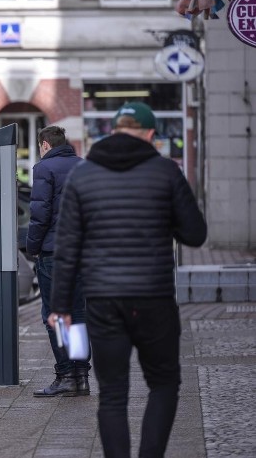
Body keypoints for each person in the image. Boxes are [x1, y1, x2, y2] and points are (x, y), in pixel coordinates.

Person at [49, 102, 207, 458]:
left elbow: (66, 247)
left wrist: (60, 307)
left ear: (114, 130)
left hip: (103, 301)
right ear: (151, 134)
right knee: (164, 383)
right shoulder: (166, 172)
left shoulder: (82, 175)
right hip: (154, 299)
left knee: (113, 393)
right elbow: (195, 234)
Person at [26, 125, 90, 397]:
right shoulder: (84, 167)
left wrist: (32, 247)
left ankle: (65, 374)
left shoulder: (44, 169)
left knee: (55, 316)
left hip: (54, 254)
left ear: (44, 145)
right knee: (76, 315)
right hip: (81, 253)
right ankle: (81, 376)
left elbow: (40, 215)